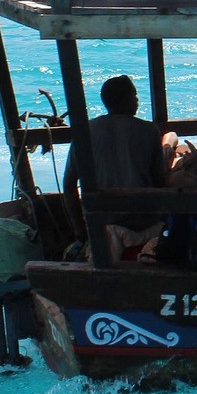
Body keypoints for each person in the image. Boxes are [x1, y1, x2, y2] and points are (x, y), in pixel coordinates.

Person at [59, 75, 166, 259]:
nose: (137, 100)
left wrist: (79, 229)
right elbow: (160, 182)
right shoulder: (149, 130)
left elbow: (69, 184)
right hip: (144, 222)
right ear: (125, 100)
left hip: (103, 221)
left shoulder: (85, 131)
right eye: (134, 95)